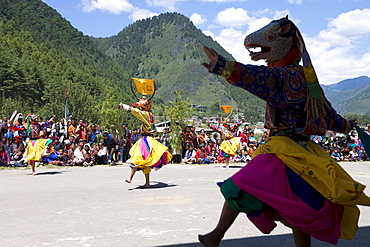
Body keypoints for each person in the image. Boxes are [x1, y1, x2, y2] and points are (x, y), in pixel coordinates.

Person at [199, 17, 370, 247]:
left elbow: (259, 79)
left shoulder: (287, 76)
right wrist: (349, 126)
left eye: (270, 39)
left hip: (282, 152)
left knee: (240, 185)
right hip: (306, 153)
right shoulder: (309, 82)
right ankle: (216, 235)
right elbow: (328, 117)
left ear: (286, 43)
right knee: (300, 213)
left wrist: (224, 67)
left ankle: (216, 235)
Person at [118, 97, 172, 188]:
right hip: (149, 139)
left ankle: (130, 178)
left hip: (145, 140)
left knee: (137, 157)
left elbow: (134, 111)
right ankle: (146, 183)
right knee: (145, 161)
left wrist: (123, 106)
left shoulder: (144, 114)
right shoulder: (151, 115)